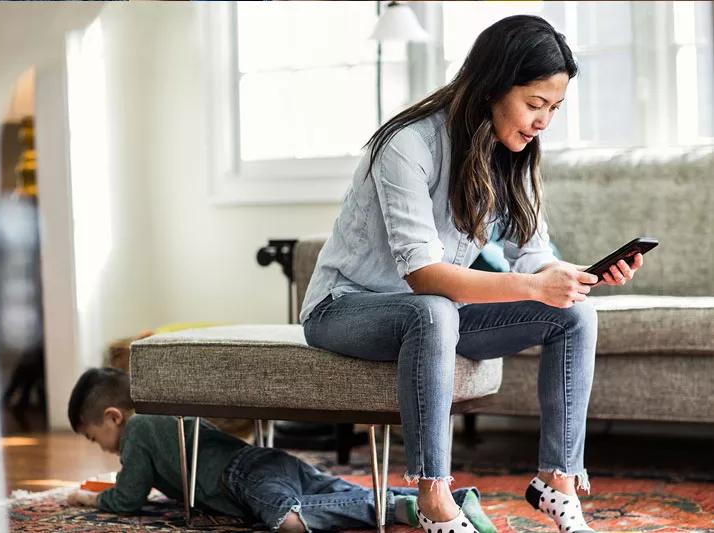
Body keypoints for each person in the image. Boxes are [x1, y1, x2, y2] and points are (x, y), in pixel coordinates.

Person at [300, 14, 643, 533]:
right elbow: (423, 275)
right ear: (491, 86)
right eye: (534, 104)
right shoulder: (407, 144)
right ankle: (434, 498)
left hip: (435, 315)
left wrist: (572, 276)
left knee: (575, 315)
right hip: (344, 307)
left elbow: (531, 254)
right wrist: (531, 285)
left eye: (553, 108)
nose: (543, 121)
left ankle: (558, 480)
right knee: (433, 310)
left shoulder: (511, 154)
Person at [65, 367, 497, 533]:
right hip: (265, 463)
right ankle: (449, 502)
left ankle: (411, 508)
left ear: (113, 417)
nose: (99, 448)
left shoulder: (138, 430)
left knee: (289, 521)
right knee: (339, 493)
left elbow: (129, 495)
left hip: (242, 479)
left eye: (92, 437)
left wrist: (91, 497)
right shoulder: (164, 416)